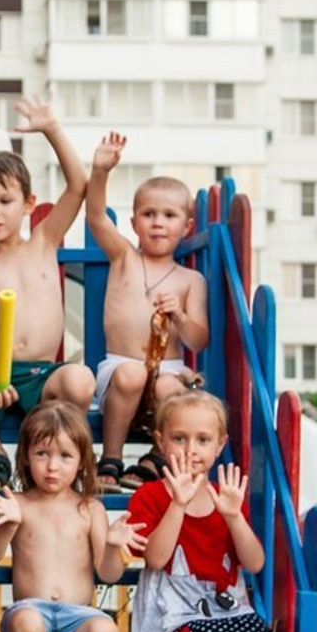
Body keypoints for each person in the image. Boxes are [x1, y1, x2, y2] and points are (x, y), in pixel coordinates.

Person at [0, 402, 146, 632]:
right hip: (30, 610)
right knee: (26, 625)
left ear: (82, 461)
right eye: (42, 453)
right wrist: (7, 525)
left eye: (65, 456)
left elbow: (109, 574)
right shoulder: (19, 503)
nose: (52, 466)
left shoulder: (90, 509)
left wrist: (113, 546)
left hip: (78, 615)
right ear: (25, 456)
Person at [127, 389, 281, 632]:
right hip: (168, 618)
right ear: (161, 442)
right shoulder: (149, 496)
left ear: (220, 444)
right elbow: (156, 559)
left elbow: (254, 562)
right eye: (179, 438)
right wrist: (177, 505)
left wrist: (233, 517)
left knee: (257, 630)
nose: (191, 449)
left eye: (203, 440)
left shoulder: (226, 497)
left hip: (221, 607)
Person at [0, 95, 94, 493]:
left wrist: (51, 129)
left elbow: (79, 185)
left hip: (43, 376)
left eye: (5, 201)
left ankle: (60, 450)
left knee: (80, 379)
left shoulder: (44, 242)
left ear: (29, 204)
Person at [86, 132, 209, 490]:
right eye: (149, 214)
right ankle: (111, 458)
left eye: (169, 215)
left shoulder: (190, 280)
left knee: (171, 385)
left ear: (186, 227)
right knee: (131, 375)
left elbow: (198, 340)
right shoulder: (124, 258)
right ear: (134, 223)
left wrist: (180, 317)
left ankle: (155, 459)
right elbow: (96, 217)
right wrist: (101, 171)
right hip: (121, 369)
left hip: (167, 370)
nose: (158, 222)